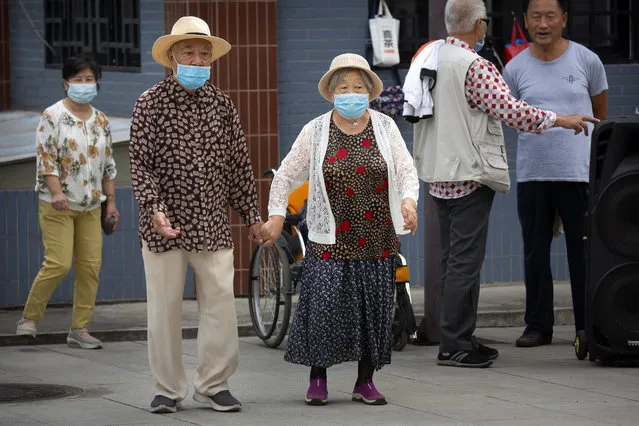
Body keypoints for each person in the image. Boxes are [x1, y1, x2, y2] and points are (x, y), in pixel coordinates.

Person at [412, 0, 599, 368]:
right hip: (468, 173)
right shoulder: (475, 66)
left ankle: (461, 336)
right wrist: (560, 119)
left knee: (453, 260)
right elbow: (512, 110)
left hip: (438, 173)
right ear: (479, 25)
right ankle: (454, 345)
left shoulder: (428, 57)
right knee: (466, 263)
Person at [260, 53, 420, 406]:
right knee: (324, 308)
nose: (352, 93)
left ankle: (365, 381)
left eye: (358, 87)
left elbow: (406, 170)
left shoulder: (385, 127)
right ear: (332, 93)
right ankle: (318, 378)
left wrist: (409, 202)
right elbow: (285, 175)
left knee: (373, 311)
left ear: (369, 92)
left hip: (377, 237)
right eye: (344, 87)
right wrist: (275, 215)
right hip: (329, 238)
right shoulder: (315, 131)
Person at [129, 16, 263, 414]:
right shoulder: (149, 102)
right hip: (163, 227)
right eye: (189, 51)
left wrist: (253, 216)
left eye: (204, 53)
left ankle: (213, 384)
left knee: (221, 306)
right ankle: (167, 389)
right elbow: (140, 164)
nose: (197, 59)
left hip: (212, 224)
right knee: (164, 309)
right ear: (171, 56)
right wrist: (154, 209)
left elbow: (239, 165)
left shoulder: (222, 104)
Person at [503, 0, 608, 348]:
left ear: (564, 19)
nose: (543, 23)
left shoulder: (587, 60)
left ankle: (588, 324)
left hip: (578, 174)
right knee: (535, 251)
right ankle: (537, 326)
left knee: (584, 253)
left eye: (551, 16)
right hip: (533, 174)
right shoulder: (515, 68)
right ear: (526, 21)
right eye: (536, 16)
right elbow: (512, 116)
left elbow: (599, 114)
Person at [15, 54, 119, 349]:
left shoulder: (101, 120)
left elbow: (108, 166)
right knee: (58, 264)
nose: (84, 84)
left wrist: (110, 203)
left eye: (89, 79)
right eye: (78, 79)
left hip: (90, 206)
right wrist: (57, 191)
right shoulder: (52, 116)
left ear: (97, 83)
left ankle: (80, 329)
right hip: (57, 204)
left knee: (90, 268)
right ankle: (29, 318)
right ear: (65, 83)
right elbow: (46, 158)